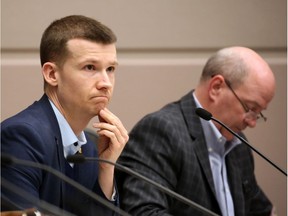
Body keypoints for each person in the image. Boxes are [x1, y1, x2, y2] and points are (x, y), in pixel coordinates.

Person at [117, 46, 276, 216]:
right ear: (216, 87)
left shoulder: (239, 146)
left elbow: (261, 210)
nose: (252, 122)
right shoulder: (162, 131)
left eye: (258, 114)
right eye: (250, 108)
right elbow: (144, 211)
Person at [1, 15, 129, 216]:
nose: (106, 82)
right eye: (90, 67)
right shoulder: (22, 136)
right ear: (52, 74)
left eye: (110, 69)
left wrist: (106, 169)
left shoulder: (91, 147)